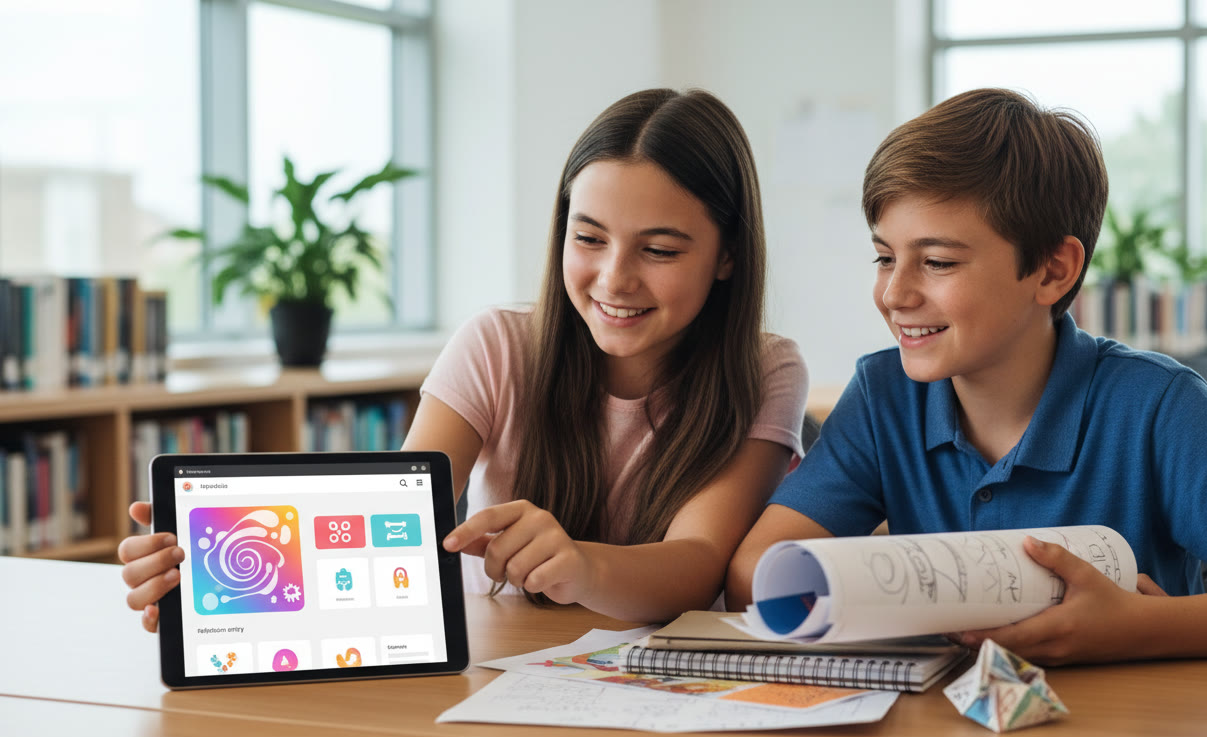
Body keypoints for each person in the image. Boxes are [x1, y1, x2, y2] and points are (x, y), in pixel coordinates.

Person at [120, 88, 808, 629]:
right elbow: (379, 511)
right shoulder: (498, 344)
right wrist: (209, 566)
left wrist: (581, 569)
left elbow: (698, 565)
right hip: (499, 665)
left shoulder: (766, 370)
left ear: (728, 256)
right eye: (589, 238)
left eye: (659, 250)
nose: (614, 279)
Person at [726, 88, 1207, 664]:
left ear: (1052, 271)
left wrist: (1140, 628)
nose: (893, 293)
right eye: (885, 257)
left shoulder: (1154, 407)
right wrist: (902, 586)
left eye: (937, 262)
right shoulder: (884, 396)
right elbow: (756, 573)